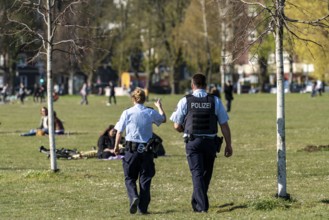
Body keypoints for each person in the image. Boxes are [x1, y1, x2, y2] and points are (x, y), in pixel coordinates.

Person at [170, 73, 233, 213]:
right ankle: (198, 203)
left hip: (193, 142)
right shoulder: (215, 100)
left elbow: (176, 125)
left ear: (192, 85)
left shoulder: (185, 101)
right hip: (210, 143)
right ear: (205, 85)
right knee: (206, 174)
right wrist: (229, 144)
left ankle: (201, 206)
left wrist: (182, 129)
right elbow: (224, 125)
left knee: (197, 174)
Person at [113, 88, 166, 214]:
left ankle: (133, 196)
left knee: (130, 177)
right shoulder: (149, 112)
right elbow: (163, 119)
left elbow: (119, 131)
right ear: (144, 99)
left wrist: (116, 146)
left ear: (133, 99)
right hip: (147, 150)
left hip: (131, 150)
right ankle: (143, 209)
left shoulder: (127, 112)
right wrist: (159, 107)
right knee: (145, 178)